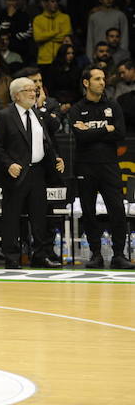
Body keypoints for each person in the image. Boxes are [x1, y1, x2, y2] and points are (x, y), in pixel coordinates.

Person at [0, 77, 66, 269]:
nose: (34, 93)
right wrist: (8, 165)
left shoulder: (38, 114)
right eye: (29, 90)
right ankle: (12, 257)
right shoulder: (4, 115)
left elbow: (45, 142)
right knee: (12, 218)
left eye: (35, 90)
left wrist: (55, 158)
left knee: (39, 217)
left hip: (38, 172)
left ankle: (40, 255)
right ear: (16, 95)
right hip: (16, 173)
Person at [69, 66, 135, 269]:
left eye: (103, 79)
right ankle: (95, 254)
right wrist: (106, 128)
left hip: (109, 166)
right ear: (86, 83)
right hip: (85, 166)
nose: (102, 82)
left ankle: (118, 255)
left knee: (117, 210)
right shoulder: (77, 108)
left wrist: (90, 130)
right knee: (88, 212)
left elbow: (120, 133)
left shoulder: (113, 106)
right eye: (97, 79)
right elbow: (80, 137)